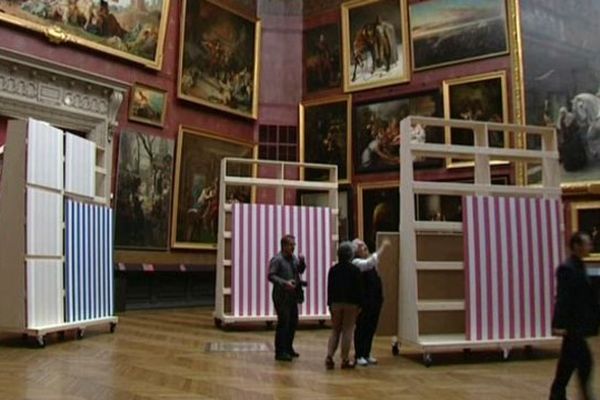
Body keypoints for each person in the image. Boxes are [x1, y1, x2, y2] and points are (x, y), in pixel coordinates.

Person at [549, 232, 600, 400]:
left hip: (577, 325)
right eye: (587, 244)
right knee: (583, 363)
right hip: (572, 326)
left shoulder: (578, 266)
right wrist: (558, 324)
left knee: (568, 365)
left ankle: (557, 396)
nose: (590, 247)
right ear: (577, 246)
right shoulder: (567, 268)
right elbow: (563, 298)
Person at [352, 238, 391, 366]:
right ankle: (359, 355)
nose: (364, 248)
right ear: (356, 252)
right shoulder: (357, 262)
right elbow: (369, 262)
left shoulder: (370, 262)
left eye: (364, 245)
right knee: (362, 327)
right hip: (364, 301)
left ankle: (367, 353)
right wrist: (383, 248)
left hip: (375, 300)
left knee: (371, 328)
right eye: (361, 247)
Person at [268, 234, 307, 362]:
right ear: (284, 245)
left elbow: (299, 270)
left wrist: (302, 262)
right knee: (283, 322)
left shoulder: (294, 258)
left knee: (293, 322)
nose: (293, 247)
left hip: (292, 295)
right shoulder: (277, 260)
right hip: (281, 296)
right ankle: (280, 351)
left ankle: (288, 348)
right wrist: (285, 283)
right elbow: (271, 276)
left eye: (294, 245)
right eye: (291, 245)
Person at [325, 242, 363, 370]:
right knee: (347, 330)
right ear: (350, 255)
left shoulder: (333, 270)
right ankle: (345, 359)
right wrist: (360, 305)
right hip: (351, 303)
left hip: (336, 303)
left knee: (335, 330)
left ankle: (329, 356)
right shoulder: (355, 270)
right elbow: (359, 289)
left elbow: (329, 288)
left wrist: (329, 304)